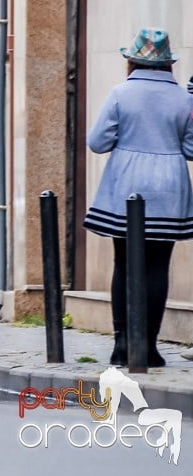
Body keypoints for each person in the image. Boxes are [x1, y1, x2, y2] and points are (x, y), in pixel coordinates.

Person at [83, 28, 193, 368]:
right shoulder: (184, 99)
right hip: (169, 186)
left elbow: (97, 142)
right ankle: (149, 346)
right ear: (167, 64)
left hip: (126, 183)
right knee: (159, 264)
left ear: (131, 61)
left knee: (124, 263)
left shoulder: (120, 93)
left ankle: (122, 344)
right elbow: (191, 148)